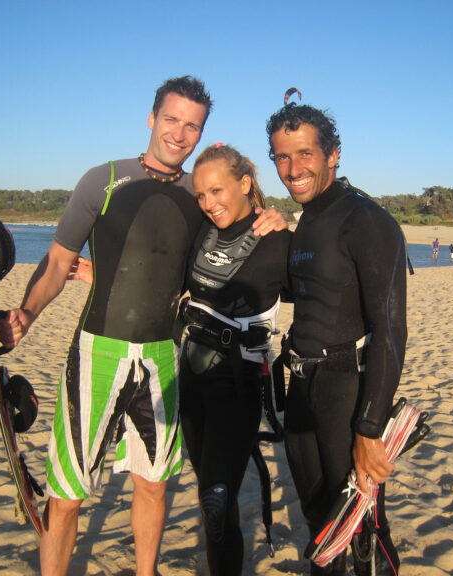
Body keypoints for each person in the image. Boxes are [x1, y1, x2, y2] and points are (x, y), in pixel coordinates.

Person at [0, 76, 283, 576]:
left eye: (192, 126)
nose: (179, 133)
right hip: (97, 351)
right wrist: (27, 312)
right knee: (67, 492)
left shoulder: (198, 194)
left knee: (152, 484)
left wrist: (271, 217)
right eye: (171, 119)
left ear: (201, 133)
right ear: (152, 118)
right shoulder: (102, 180)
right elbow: (60, 260)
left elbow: (223, 237)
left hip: (164, 357)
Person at [266, 102, 407, 575]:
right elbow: (304, 290)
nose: (293, 169)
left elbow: (390, 329)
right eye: (282, 157)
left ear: (333, 155)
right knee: (319, 525)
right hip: (301, 389)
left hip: (347, 394)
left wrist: (369, 428)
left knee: (363, 527)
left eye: (305, 154)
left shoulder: (367, 221)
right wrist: (272, 236)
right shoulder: (307, 219)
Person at [177, 143, 291, 575]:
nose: (209, 203)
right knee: (211, 501)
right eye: (201, 194)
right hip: (192, 376)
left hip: (238, 382)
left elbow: (325, 294)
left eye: (217, 191)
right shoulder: (201, 230)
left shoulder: (278, 240)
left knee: (216, 500)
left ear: (245, 183)